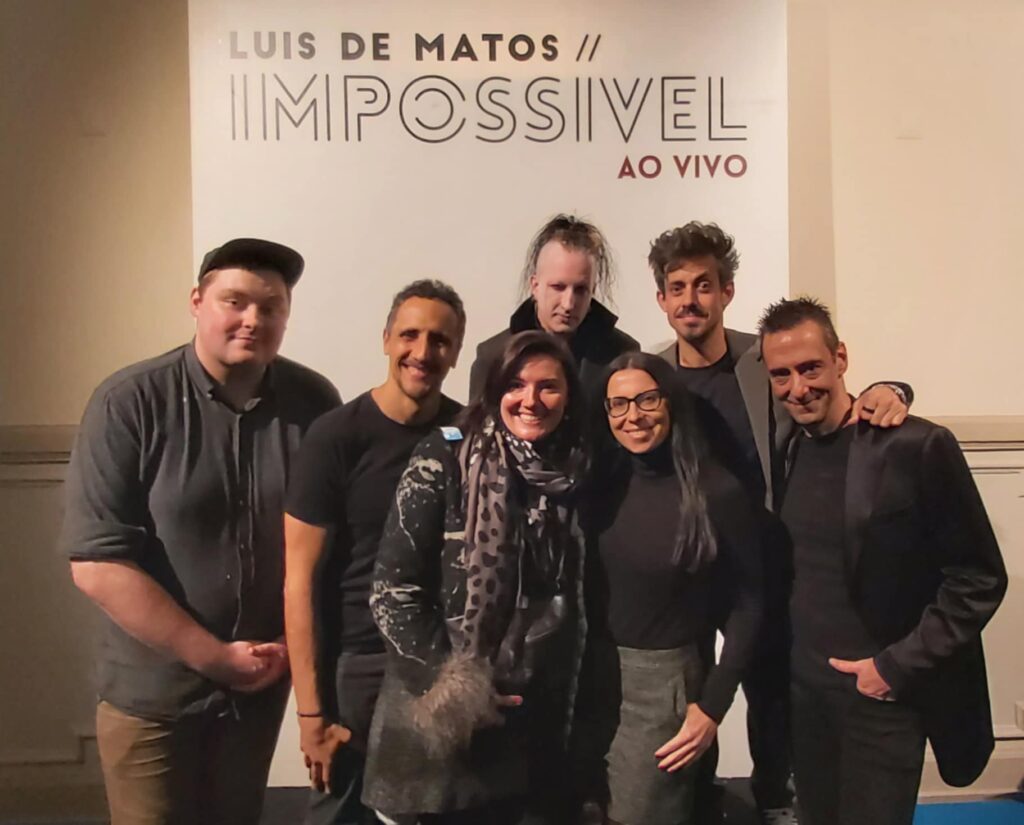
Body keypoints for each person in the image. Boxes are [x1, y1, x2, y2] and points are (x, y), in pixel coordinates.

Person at [61, 238, 341, 825]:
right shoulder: (128, 402)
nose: (253, 319)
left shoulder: (314, 403)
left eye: (271, 307)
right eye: (235, 302)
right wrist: (213, 657)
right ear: (196, 301)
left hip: (257, 694)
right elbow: (97, 563)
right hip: (152, 698)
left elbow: (329, 540)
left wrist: (292, 657)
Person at [649, 222, 911, 823]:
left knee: (773, 697)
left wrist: (892, 388)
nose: (691, 300)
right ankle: (697, 802)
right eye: (678, 287)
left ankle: (776, 800)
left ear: (727, 291)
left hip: (766, 565)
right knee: (688, 693)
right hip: (686, 568)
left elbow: (827, 393)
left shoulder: (763, 359)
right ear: (661, 298)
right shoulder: (651, 372)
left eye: (704, 285)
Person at [758, 297, 1006, 825]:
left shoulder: (915, 445)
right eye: (782, 375)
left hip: (881, 700)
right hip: (806, 700)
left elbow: (979, 578)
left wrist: (893, 667)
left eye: (810, 368)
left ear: (841, 359)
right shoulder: (787, 445)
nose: (798, 388)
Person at [363, 331, 589, 824]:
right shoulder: (445, 457)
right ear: (494, 389)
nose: (531, 400)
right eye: (516, 385)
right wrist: (456, 690)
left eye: (548, 386)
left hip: (529, 730)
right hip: (441, 732)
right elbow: (392, 591)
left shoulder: (572, 472)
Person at [283, 280, 465, 825]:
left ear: (456, 352)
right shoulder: (335, 437)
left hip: (439, 663)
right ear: (386, 339)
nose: (422, 351)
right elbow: (299, 580)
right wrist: (310, 714)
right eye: (409, 335)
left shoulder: (467, 434)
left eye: (439, 340)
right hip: (357, 667)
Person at [577, 352, 762, 825]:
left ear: (671, 403)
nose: (633, 416)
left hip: (662, 691)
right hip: (589, 682)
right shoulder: (598, 483)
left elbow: (750, 603)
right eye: (618, 404)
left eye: (647, 399)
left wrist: (714, 705)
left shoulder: (716, 491)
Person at [469, 214, 638, 398]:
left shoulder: (621, 354)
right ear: (535, 286)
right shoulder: (494, 356)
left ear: (592, 291)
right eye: (558, 287)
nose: (568, 304)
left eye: (580, 290)